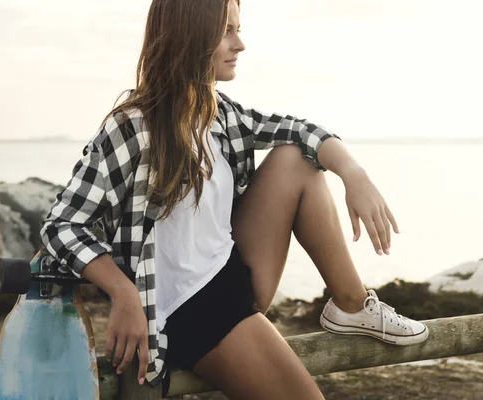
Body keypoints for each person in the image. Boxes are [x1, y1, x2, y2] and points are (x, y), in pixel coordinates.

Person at [40, 0, 428, 398]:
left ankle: (351, 305)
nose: (240, 44)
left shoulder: (220, 114)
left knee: (295, 159)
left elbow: (302, 132)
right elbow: (63, 224)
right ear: (188, 35)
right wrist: (123, 293)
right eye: (226, 31)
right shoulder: (134, 126)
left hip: (233, 274)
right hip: (186, 310)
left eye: (238, 29)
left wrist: (353, 174)